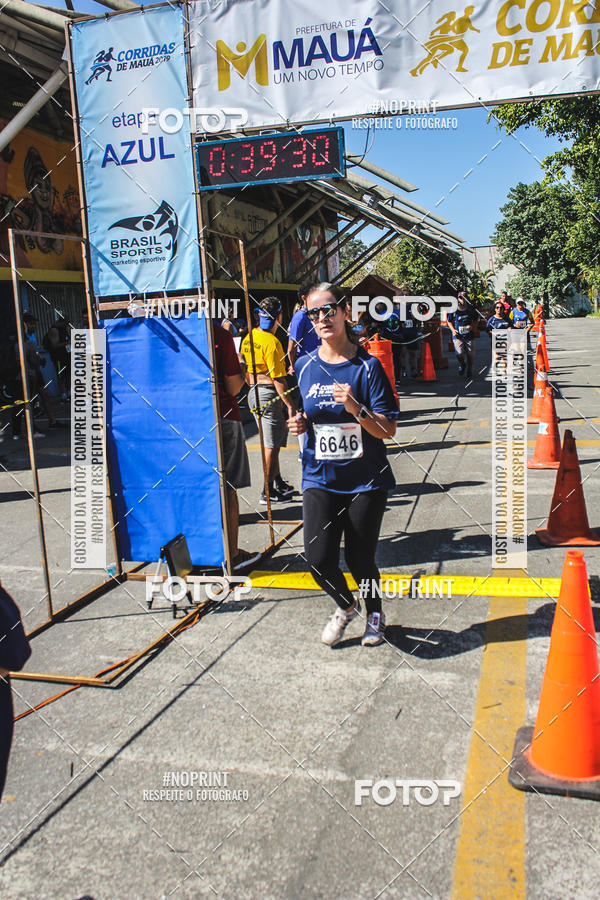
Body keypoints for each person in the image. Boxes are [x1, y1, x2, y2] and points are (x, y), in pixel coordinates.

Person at [288, 283, 399, 647]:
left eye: (329, 309)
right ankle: (346, 606)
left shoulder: (368, 367)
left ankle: (375, 613)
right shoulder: (304, 365)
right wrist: (300, 423)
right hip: (319, 476)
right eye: (313, 313)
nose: (322, 318)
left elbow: (388, 430)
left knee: (359, 557)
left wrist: (356, 409)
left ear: (345, 311)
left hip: (365, 479)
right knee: (317, 558)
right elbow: (310, 412)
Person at [212, 321, 261, 572]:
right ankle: (232, 555)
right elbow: (233, 386)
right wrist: (241, 366)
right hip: (222, 416)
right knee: (227, 487)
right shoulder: (217, 334)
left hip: (182, 420)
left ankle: (193, 556)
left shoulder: (168, 333)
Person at [241, 297, 297, 504]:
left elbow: (245, 368)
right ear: (279, 317)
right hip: (268, 393)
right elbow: (278, 379)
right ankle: (267, 490)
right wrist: (290, 405)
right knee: (271, 445)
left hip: (254, 392)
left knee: (272, 441)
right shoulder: (272, 343)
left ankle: (278, 481)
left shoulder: (249, 337)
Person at [287, 282, 320, 374]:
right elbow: (291, 348)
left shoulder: (319, 314)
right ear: (304, 298)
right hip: (308, 366)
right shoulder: (300, 317)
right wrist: (294, 366)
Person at [447, 291, 478, 377]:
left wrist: (471, 326)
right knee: (459, 353)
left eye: (464, 298)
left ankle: (469, 369)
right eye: (461, 298)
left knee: (470, 354)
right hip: (458, 335)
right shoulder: (454, 309)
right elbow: (449, 321)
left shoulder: (471, 309)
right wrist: (453, 330)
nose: (462, 300)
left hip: (469, 335)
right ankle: (462, 364)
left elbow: (476, 320)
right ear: (458, 299)